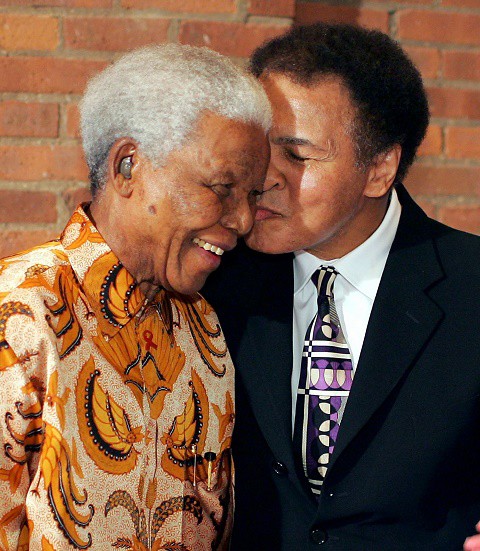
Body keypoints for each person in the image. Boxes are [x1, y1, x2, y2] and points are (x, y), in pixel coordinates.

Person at [203, 23, 480, 550]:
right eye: (260, 146)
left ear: (380, 168)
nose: (265, 175)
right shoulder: (213, 277)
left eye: (298, 156)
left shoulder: (471, 286)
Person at [0, 44, 270, 550]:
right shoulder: (21, 312)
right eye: (221, 188)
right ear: (127, 166)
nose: (243, 221)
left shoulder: (205, 330)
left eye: (253, 195)